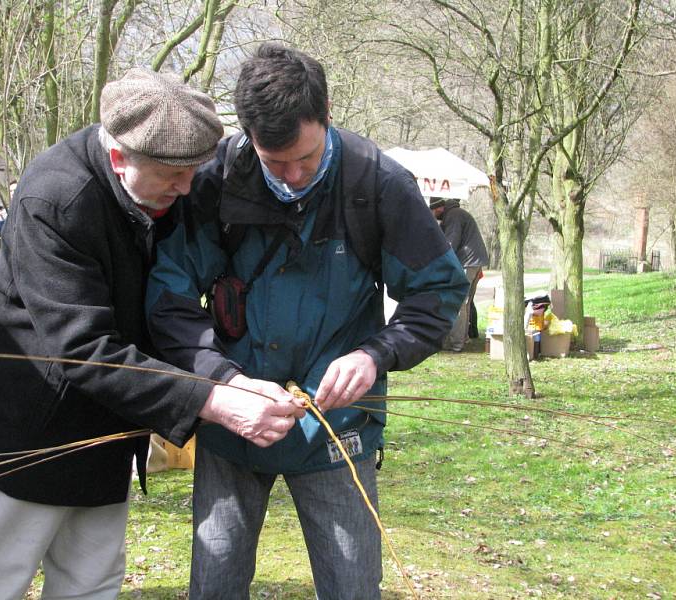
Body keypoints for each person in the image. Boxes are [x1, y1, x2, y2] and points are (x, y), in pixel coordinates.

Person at [0, 68, 304, 600]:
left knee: (91, 586)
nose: (186, 188)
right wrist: (214, 400)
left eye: (193, 172)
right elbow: (81, 348)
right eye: (171, 176)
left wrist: (228, 379)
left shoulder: (164, 189)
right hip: (34, 435)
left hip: (108, 432)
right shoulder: (56, 200)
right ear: (117, 157)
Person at [147, 44, 469, 599]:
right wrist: (222, 382)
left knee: (352, 585)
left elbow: (437, 291)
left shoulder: (378, 184)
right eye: (275, 163)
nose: (294, 177)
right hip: (234, 421)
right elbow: (168, 296)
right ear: (247, 136)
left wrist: (376, 354)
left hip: (336, 426)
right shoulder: (215, 182)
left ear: (325, 117)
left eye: (307, 157)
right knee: (215, 582)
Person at [430, 197, 489, 352]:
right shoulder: (456, 214)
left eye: (433, 211)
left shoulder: (453, 216)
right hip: (475, 261)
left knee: (458, 301)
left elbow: (450, 244)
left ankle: (456, 344)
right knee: (466, 302)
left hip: (467, 262)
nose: (433, 215)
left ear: (439, 208)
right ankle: (464, 338)